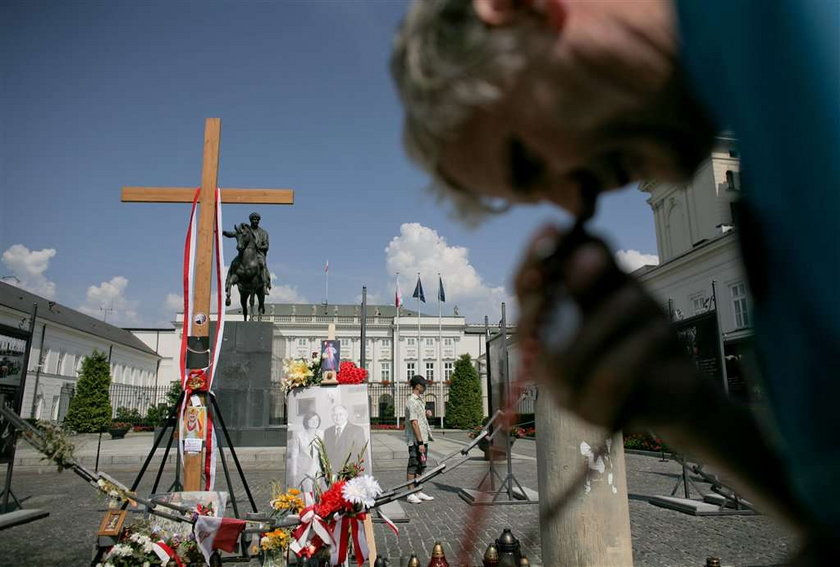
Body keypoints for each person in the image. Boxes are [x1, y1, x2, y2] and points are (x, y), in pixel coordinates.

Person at [391, 0, 838, 559]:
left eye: (528, 160)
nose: (577, 199)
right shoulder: (763, 138)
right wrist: (685, 409)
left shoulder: (787, 38)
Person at [223, 212, 271, 295]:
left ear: (259, 221)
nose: (255, 221)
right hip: (244, 254)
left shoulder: (263, 233)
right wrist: (223, 232)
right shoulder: (245, 230)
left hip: (258, 254)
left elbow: (266, 246)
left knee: (262, 264)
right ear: (250, 220)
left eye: (257, 219)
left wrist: (258, 247)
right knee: (233, 263)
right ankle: (227, 283)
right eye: (253, 219)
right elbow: (232, 234)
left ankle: (264, 285)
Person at [404, 375, 434, 504]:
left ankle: (418, 491)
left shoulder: (420, 400)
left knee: (421, 465)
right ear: (417, 386)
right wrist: (420, 442)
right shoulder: (411, 401)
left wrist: (426, 412)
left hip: (423, 438)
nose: (425, 388)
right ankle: (410, 493)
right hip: (416, 440)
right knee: (413, 465)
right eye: (423, 386)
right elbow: (414, 422)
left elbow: (419, 417)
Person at [323, 404, 367, 473]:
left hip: (350, 472)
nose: (337, 417)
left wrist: (365, 474)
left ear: (346, 415)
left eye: (341, 414)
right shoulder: (327, 432)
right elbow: (326, 454)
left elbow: (363, 454)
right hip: (333, 474)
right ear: (332, 417)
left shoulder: (357, 430)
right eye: (335, 415)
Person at [288, 411, 324, 492]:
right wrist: (294, 473)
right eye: (311, 420)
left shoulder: (322, 434)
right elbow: (294, 455)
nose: (314, 422)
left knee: (318, 494)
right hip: (303, 470)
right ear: (306, 421)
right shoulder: (299, 435)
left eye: (316, 420)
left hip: (317, 469)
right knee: (305, 495)